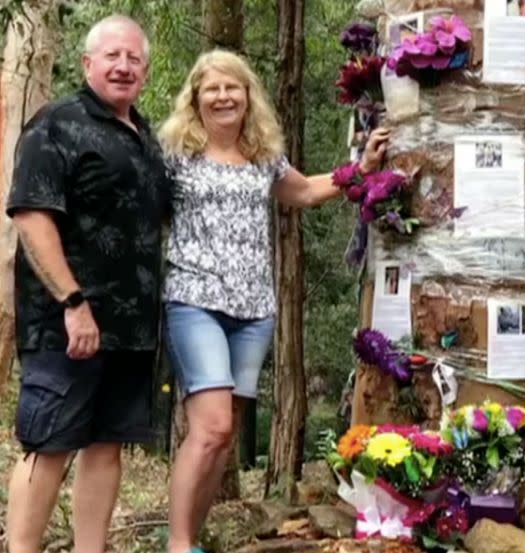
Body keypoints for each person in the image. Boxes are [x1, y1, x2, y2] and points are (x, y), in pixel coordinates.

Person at [156, 49, 389, 553]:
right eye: (212, 88)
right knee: (212, 424)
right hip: (194, 298)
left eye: (231, 87)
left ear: (247, 95)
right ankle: (176, 544)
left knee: (226, 432)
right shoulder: (175, 151)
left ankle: (188, 540)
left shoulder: (262, 152)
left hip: (253, 307)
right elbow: (140, 205)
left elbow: (304, 191)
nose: (222, 97)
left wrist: (362, 168)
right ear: (195, 97)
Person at [4, 15, 167, 553]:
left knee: (106, 445)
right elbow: (31, 216)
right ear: (87, 64)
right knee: (47, 444)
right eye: (112, 56)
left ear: (145, 69)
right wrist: (72, 302)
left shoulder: (145, 136)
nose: (123, 66)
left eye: (133, 59)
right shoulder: (56, 124)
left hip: (130, 328)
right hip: (66, 325)